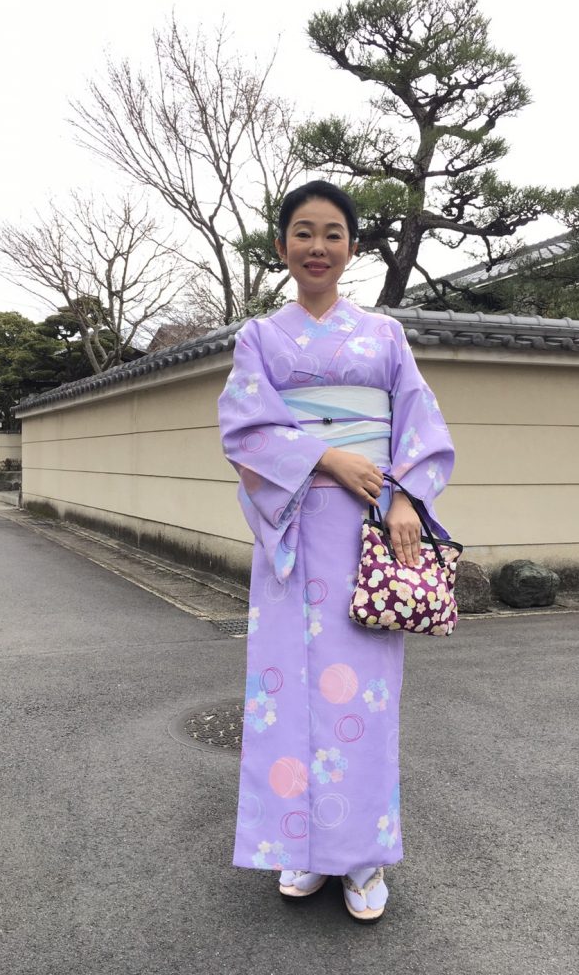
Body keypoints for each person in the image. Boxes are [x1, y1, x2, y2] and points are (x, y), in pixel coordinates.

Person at [218, 180, 455, 922]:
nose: (317, 247)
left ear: (351, 247)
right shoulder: (260, 337)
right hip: (292, 532)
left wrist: (405, 497)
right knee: (286, 695)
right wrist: (325, 457)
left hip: (368, 529)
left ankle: (361, 855)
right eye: (303, 232)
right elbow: (245, 429)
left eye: (332, 234)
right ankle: (300, 846)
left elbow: (419, 422)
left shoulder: (384, 335)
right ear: (282, 245)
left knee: (364, 700)